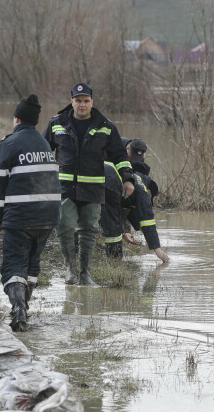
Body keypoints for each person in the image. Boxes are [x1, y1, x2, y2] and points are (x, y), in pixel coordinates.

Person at [43, 82, 135, 286]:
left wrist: (128, 179)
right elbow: (43, 151)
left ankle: (84, 273)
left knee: (89, 229)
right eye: (78, 101)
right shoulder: (57, 123)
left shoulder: (106, 126)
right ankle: (70, 268)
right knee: (65, 225)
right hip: (65, 188)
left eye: (85, 101)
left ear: (92, 102)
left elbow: (119, 155)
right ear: (71, 102)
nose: (82, 105)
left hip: (93, 189)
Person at [0, 94, 60, 331]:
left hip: (20, 217)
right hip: (49, 217)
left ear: (17, 119)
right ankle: (25, 308)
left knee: (12, 266)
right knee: (32, 264)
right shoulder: (45, 145)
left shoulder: (9, 144)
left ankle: (18, 308)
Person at [101, 161, 169, 263]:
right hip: (106, 176)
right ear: (149, 192)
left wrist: (124, 232)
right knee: (111, 225)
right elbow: (147, 219)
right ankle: (114, 260)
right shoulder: (142, 190)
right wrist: (158, 250)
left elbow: (123, 210)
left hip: (95, 170)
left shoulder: (133, 181)